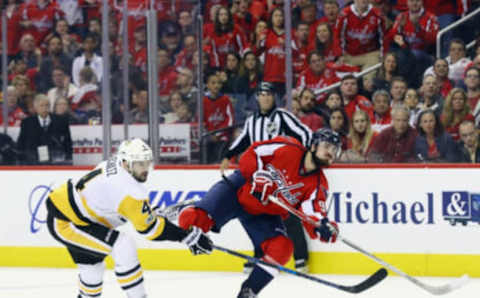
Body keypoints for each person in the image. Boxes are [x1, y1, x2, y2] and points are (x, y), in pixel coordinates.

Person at [179, 128, 341, 298]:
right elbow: (253, 152)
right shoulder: (288, 147)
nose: (331, 153)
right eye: (327, 146)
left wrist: (323, 228)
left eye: (335, 150)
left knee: (282, 248)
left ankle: (249, 291)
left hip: (264, 213)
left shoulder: (318, 184)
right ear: (313, 146)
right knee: (192, 220)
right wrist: (257, 175)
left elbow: (312, 214)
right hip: (238, 191)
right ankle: (187, 208)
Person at [45, 138, 212, 298]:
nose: (145, 168)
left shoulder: (117, 165)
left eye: (147, 162)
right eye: (140, 164)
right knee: (123, 245)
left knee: (93, 269)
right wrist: (187, 236)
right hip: (66, 222)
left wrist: (151, 215)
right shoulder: (128, 190)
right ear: (126, 162)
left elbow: (127, 210)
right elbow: (151, 230)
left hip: (77, 217)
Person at [220, 82, 313, 273]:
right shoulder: (251, 120)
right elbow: (243, 140)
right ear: (257, 97)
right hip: (259, 176)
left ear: (274, 97)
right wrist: (227, 155)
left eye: (269, 94)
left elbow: (305, 134)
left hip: (281, 175)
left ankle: (301, 257)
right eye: (262, 94)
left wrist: (302, 158)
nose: (266, 98)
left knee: (289, 215)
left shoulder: (282, 116)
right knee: (257, 217)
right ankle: (260, 255)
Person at [17, 93, 72, 164]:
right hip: (33, 161)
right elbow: (21, 142)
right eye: (41, 105)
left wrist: (68, 157)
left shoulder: (61, 121)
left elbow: (67, 141)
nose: (45, 108)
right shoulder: (27, 122)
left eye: (47, 105)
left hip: (55, 160)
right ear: (35, 107)